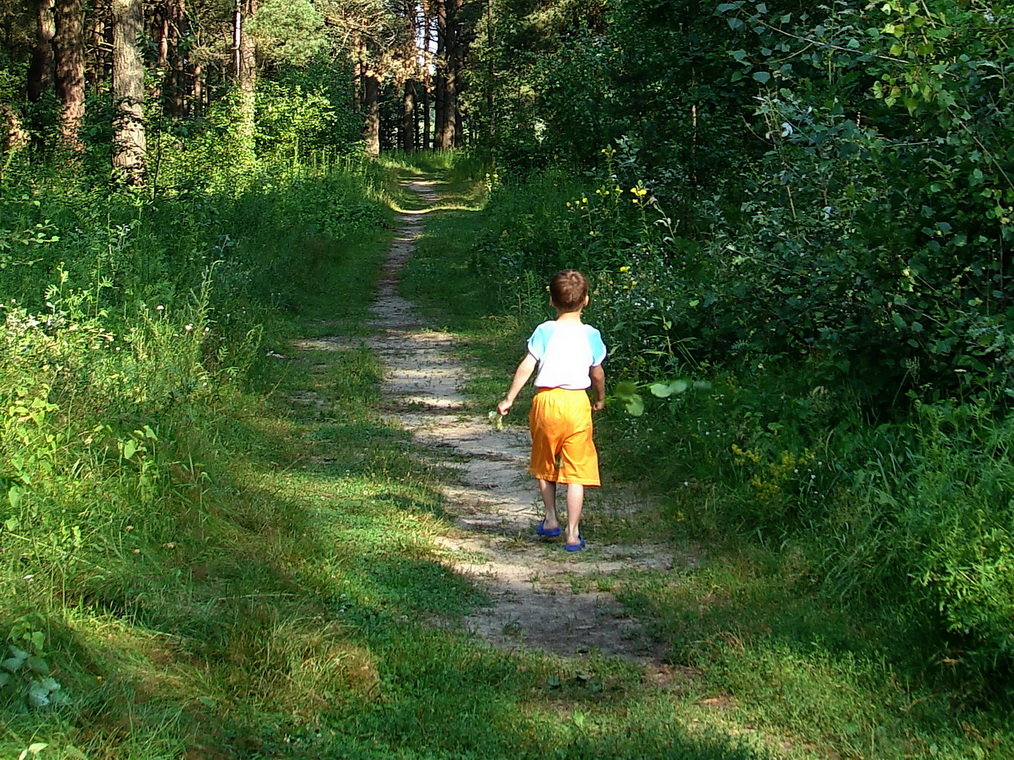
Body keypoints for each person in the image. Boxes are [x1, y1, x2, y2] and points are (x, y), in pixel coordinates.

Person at [496, 269, 607, 552]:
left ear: (552, 301)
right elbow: (597, 373)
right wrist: (600, 397)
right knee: (576, 471)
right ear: (586, 300)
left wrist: (509, 398)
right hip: (576, 403)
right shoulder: (591, 335)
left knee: (545, 464)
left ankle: (550, 519)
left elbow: (527, 366)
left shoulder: (545, 331)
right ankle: (573, 533)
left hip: (546, 402)